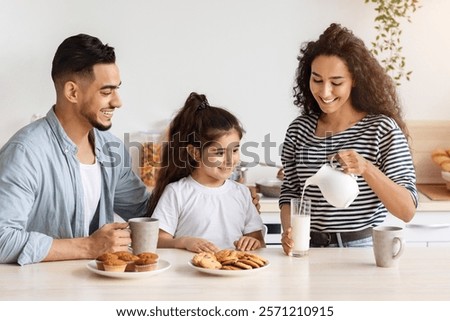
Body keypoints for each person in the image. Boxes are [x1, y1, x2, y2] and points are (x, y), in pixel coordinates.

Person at [0, 34, 150, 265]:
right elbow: (2, 239)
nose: (118, 102)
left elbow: (146, 212)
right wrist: (89, 246)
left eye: (116, 90)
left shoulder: (112, 149)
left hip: (96, 292)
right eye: (106, 91)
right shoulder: (25, 153)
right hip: (38, 294)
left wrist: (209, 171)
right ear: (72, 92)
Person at [279, 23, 418, 255]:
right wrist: (289, 231)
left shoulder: (381, 129)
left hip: (361, 250)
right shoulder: (299, 130)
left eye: (336, 82)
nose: (324, 92)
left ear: (354, 80)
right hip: (308, 249)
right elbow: (291, 193)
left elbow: (407, 210)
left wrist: (366, 168)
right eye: (317, 79)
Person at [148, 92, 266, 253]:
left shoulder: (242, 193)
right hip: (188, 275)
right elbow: (157, 240)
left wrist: (252, 242)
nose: (230, 160)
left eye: (235, 149)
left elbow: (258, 240)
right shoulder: (177, 192)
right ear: (195, 153)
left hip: (233, 274)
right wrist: (184, 241)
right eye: (219, 153)